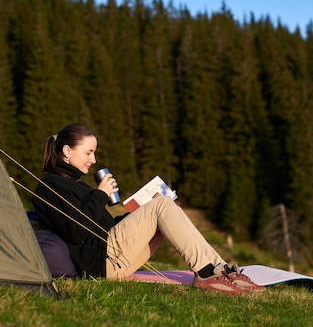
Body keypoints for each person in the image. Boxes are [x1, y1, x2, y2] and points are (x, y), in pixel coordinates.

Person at [32, 123, 264, 295]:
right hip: (102, 261)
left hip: (109, 255)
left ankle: (220, 270)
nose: (93, 160)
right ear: (66, 151)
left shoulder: (74, 185)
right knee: (161, 205)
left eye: (94, 153)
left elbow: (100, 223)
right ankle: (206, 273)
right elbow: (76, 229)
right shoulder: (51, 185)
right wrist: (100, 193)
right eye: (88, 152)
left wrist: (132, 215)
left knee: (163, 206)